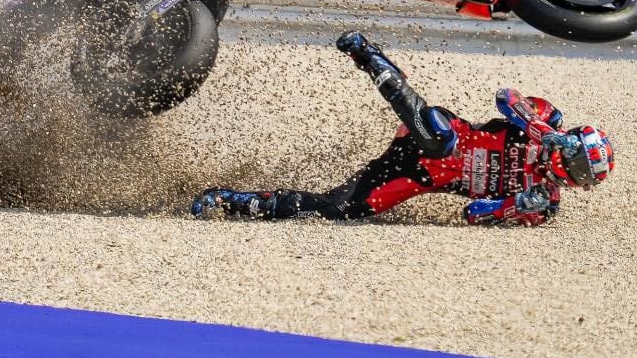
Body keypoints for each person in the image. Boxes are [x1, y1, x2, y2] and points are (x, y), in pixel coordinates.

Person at [192, 32, 614, 225]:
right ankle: (370, 57)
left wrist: (515, 204)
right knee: (437, 137)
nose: (570, 176)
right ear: (572, 144)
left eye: (580, 178)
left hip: (420, 177)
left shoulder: (543, 206)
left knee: (345, 210)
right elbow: (506, 96)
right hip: (448, 134)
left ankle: (234, 202)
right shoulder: (547, 121)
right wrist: (536, 126)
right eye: (576, 164)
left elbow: (472, 214)